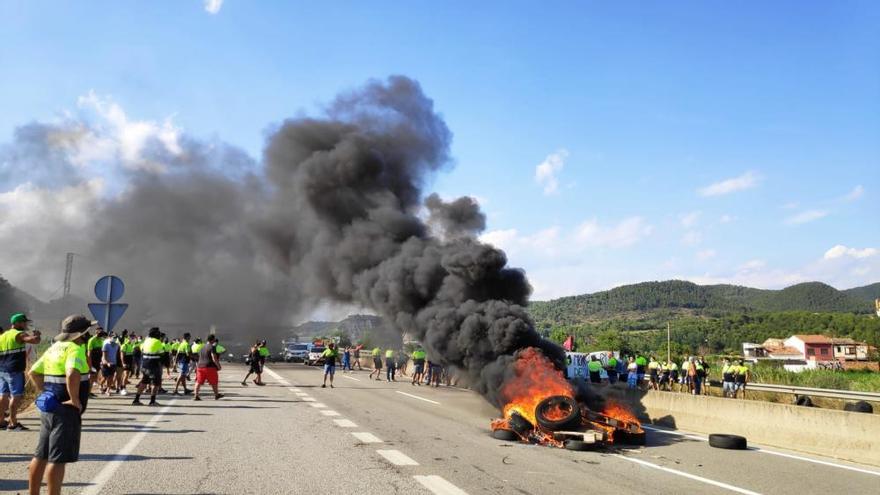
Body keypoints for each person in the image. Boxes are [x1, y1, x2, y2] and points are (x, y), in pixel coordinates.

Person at [28, 314, 94, 495]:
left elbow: (33, 372)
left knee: (40, 455)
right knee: (57, 460)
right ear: (83, 333)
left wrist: (45, 392)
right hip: (66, 411)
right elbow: (72, 372)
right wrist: (74, 399)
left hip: (49, 407)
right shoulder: (74, 349)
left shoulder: (54, 348)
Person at [1, 313, 41, 430]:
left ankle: (0, 421)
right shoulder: (19, 334)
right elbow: (33, 341)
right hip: (14, 370)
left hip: (2, 370)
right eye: (24, 322)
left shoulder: (3, 336)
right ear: (17, 323)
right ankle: (13, 423)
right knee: (16, 396)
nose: (25, 325)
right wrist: (37, 335)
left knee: (3, 396)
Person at [132, 328, 164, 406]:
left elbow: (141, 349)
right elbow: (161, 353)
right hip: (153, 365)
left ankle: (136, 400)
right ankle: (152, 401)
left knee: (144, 381)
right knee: (155, 383)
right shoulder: (157, 342)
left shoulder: (145, 341)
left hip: (144, 364)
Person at [193, 335, 224, 401]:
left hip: (200, 366)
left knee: (198, 382)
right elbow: (214, 358)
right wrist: (218, 366)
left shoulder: (202, 347)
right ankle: (216, 395)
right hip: (209, 367)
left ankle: (196, 395)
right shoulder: (212, 347)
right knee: (214, 382)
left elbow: (199, 357)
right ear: (212, 340)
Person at [86, 328, 106, 398]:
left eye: (101, 331)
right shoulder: (92, 340)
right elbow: (89, 354)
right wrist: (90, 365)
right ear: (96, 331)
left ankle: (89, 392)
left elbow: (101, 351)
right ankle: (87, 393)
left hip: (98, 361)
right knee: (91, 378)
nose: (101, 333)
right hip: (92, 361)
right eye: (99, 331)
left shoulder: (101, 340)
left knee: (94, 377)